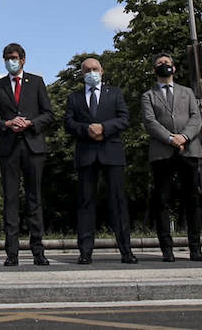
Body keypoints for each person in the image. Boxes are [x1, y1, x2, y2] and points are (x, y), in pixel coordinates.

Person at [0, 42, 55, 266]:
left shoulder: (36, 82)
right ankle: (12, 253)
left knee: (34, 199)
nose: (10, 61)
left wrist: (31, 123)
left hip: (33, 147)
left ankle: (38, 251)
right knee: (10, 200)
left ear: (23, 59)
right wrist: (7, 123)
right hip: (9, 149)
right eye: (7, 58)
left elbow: (48, 114)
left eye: (14, 57)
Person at [62, 57, 135, 264]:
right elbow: (68, 122)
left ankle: (126, 250)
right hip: (86, 154)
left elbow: (124, 119)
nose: (91, 73)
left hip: (111, 153)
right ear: (82, 74)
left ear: (102, 71)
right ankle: (85, 252)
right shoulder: (74, 97)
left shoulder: (116, 94)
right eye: (87, 70)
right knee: (85, 203)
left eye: (95, 69)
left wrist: (104, 128)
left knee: (118, 202)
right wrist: (87, 129)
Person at [140, 53, 202, 262]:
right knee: (162, 200)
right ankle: (166, 249)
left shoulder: (187, 92)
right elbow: (150, 122)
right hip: (163, 152)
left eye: (167, 63)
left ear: (174, 68)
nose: (164, 66)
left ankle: (195, 247)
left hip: (188, 150)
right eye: (159, 63)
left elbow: (196, 118)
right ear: (154, 70)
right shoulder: (148, 95)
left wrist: (184, 136)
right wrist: (170, 138)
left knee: (193, 199)